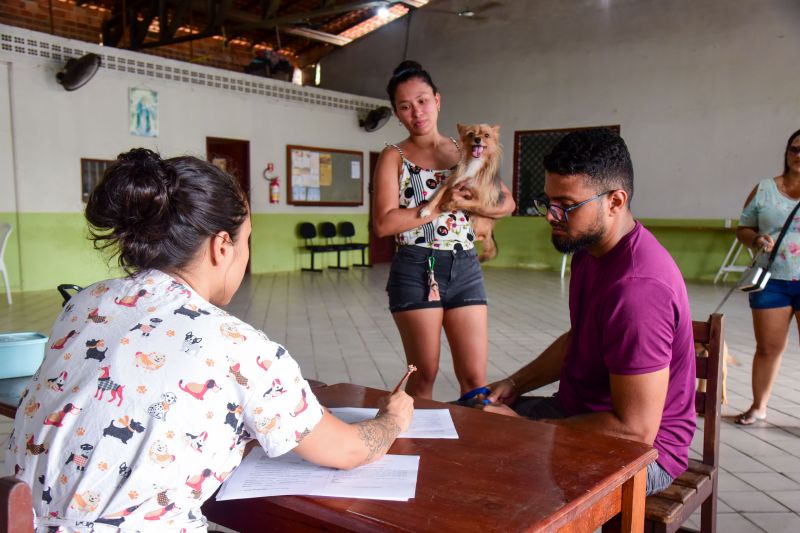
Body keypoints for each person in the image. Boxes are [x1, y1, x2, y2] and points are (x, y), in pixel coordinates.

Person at [3, 149, 413, 531]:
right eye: (247, 239)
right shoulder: (237, 346)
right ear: (222, 245)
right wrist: (392, 420)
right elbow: (347, 451)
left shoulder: (85, 301)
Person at [482, 129, 696, 496]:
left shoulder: (638, 290)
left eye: (565, 204)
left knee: (491, 478)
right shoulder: (590, 249)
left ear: (615, 201)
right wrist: (514, 383)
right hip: (579, 416)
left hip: (643, 455)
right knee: (464, 420)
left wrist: (527, 429)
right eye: (547, 201)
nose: (551, 216)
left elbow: (635, 431)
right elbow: (579, 338)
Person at [372, 61, 516, 400]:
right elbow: (384, 223)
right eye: (405, 107)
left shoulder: (466, 148)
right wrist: (438, 205)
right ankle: (418, 447)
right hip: (417, 266)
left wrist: (465, 205)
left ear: (437, 100)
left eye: (422, 101)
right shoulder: (394, 157)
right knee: (425, 376)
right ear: (397, 113)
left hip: (465, 264)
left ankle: (470, 450)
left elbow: (506, 202)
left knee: (475, 379)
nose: (416, 112)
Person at [733, 128, 800, 425]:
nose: (799, 155)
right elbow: (743, 228)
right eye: (794, 149)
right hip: (771, 280)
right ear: (786, 152)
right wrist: (757, 239)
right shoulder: (764, 189)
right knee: (768, 348)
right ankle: (759, 406)